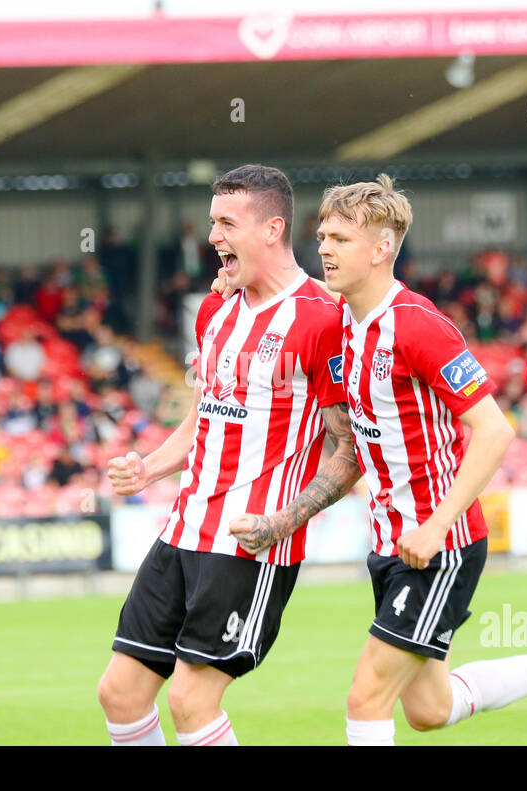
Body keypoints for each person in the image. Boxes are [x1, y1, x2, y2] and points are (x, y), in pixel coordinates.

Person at [309, 176, 527, 746]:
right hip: (390, 544)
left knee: (366, 697)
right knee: (430, 709)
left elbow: (494, 431)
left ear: (383, 248)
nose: (324, 248)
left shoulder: (418, 325)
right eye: (322, 236)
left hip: (442, 543)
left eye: (339, 238)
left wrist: (436, 526)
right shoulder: (341, 323)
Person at [97, 164, 356, 746]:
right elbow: (204, 415)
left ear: (272, 229)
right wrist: (150, 467)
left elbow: (349, 449)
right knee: (119, 691)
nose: (213, 235)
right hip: (184, 528)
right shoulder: (215, 308)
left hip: (249, 542)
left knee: (191, 700)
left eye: (226, 223)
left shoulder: (323, 318)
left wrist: (280, 522)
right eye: (212, 221)